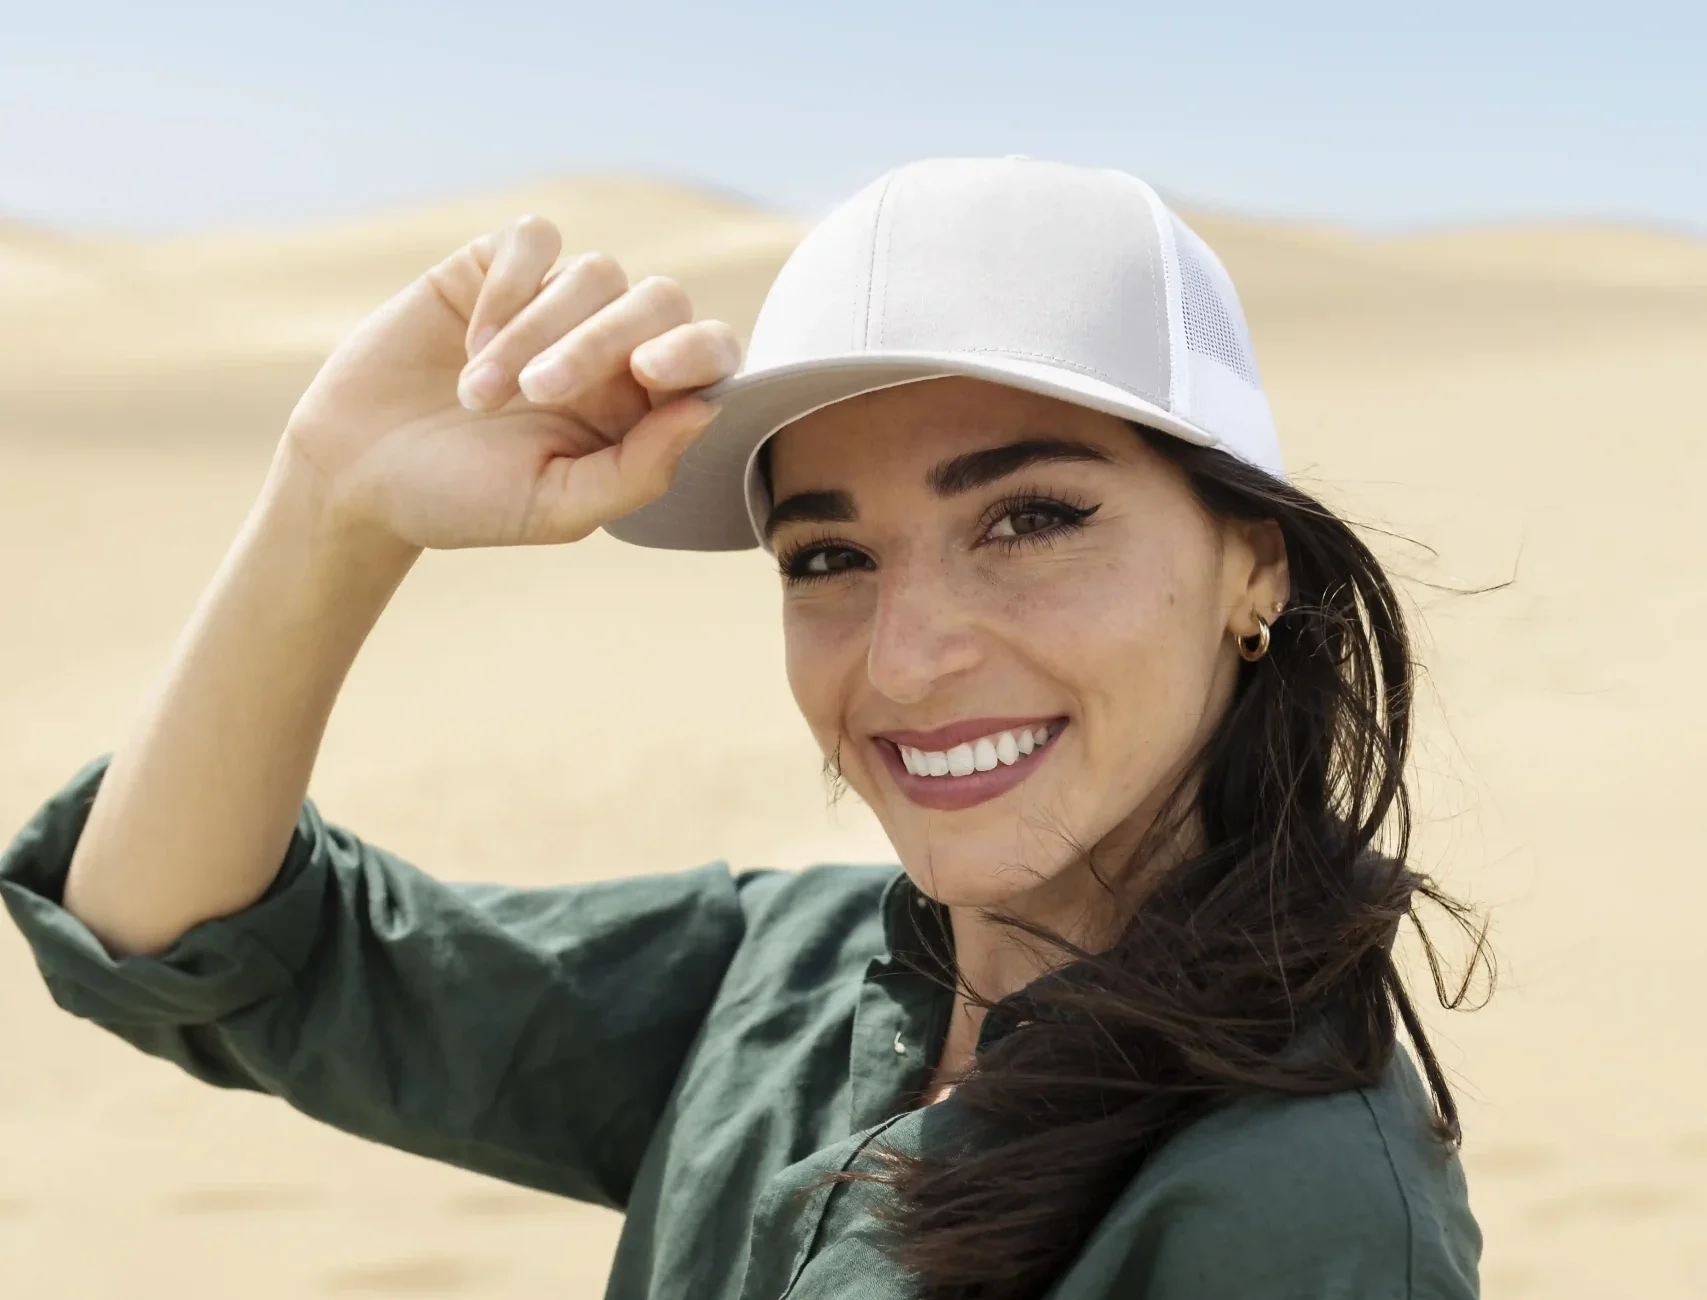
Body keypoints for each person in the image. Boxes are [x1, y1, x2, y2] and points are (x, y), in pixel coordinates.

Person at [0, 156, 1485, 1299]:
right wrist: (328, 510)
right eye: (828, 557)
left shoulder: (1299, 1201)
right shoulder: (775, 979)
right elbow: (178, 937)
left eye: (1029, 520)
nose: (903, 661)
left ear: (1252, 565)